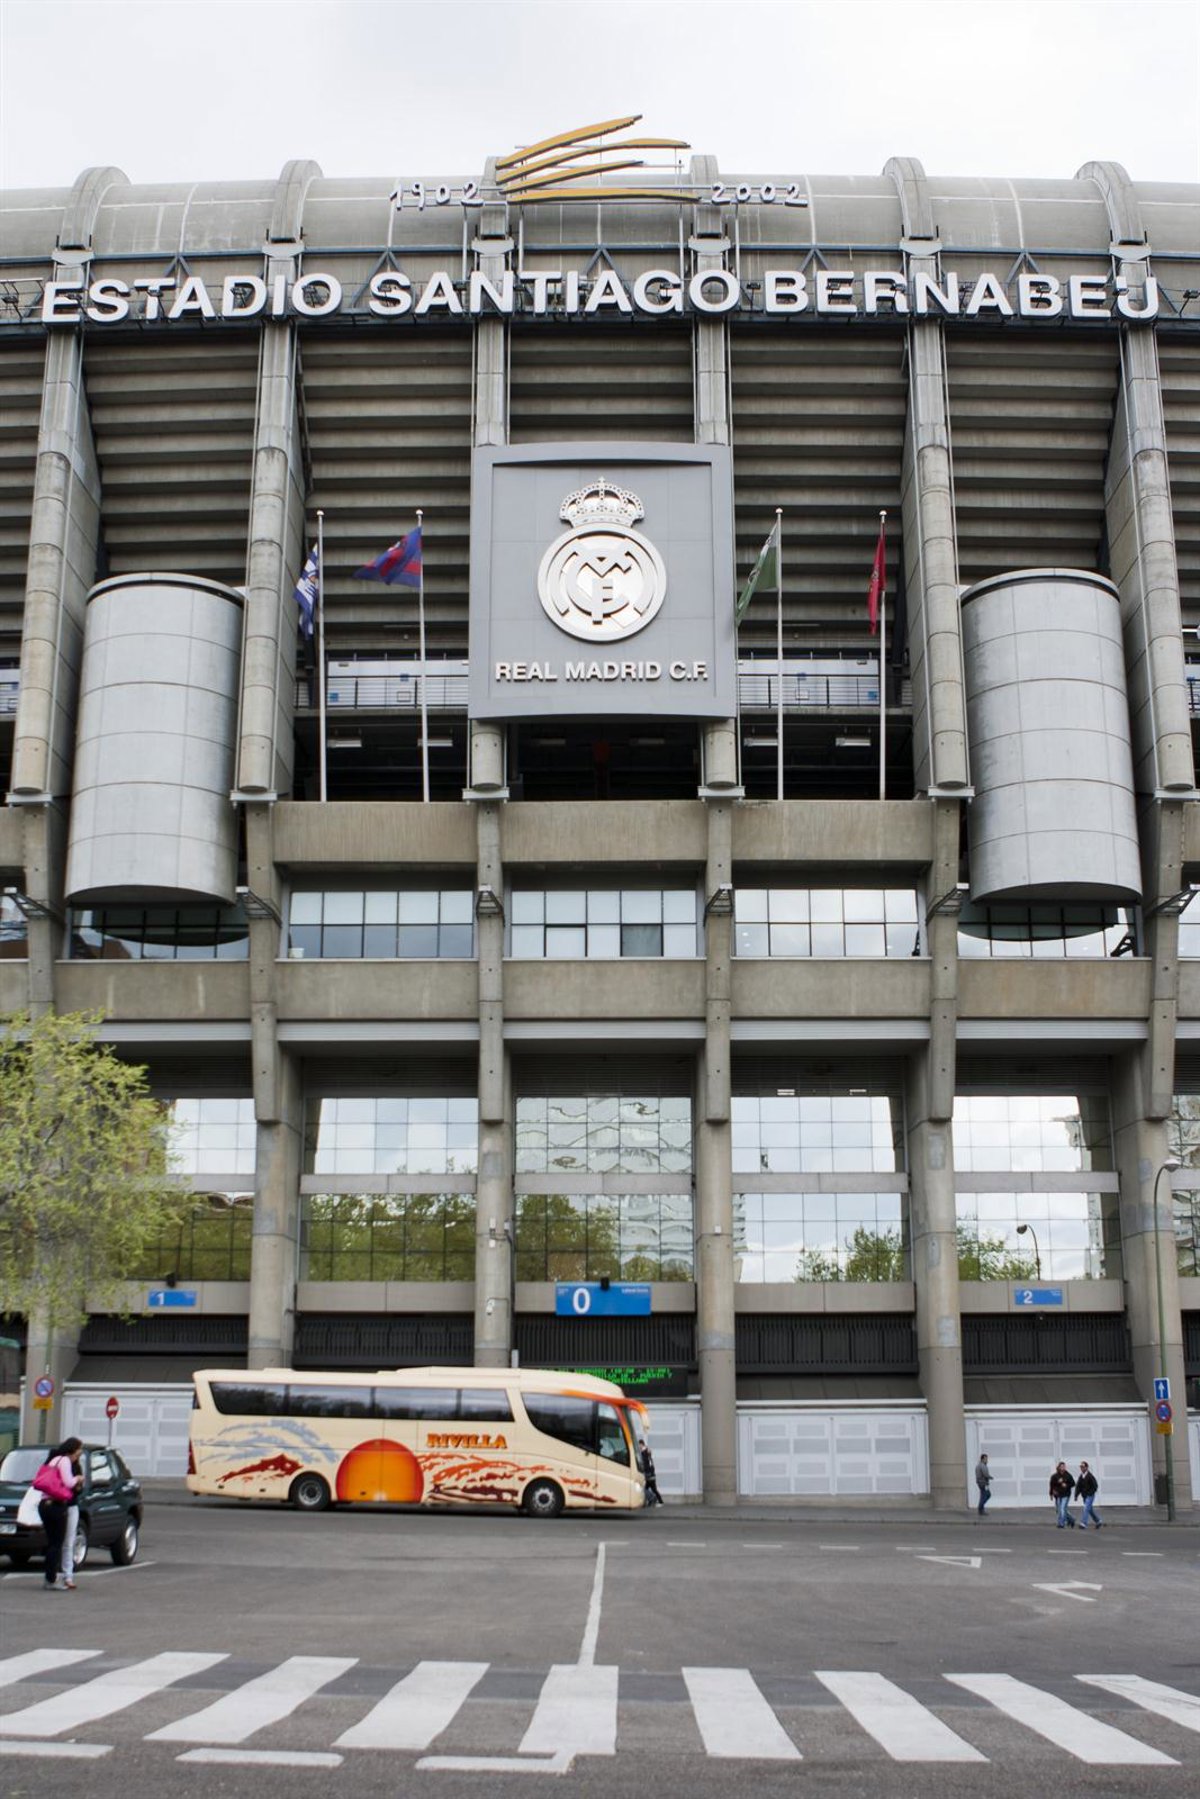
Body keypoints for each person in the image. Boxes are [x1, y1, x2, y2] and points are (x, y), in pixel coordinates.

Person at [34, 1437, 82, 1591]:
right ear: (72, 1450)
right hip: (57, 1505)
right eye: (78, 1451)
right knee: (57, 1544)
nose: (79, 1454)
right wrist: (78, 1478)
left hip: (44, 1505)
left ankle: (50, 1577)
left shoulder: (53, 1459)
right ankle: (52, 1579)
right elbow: (69, 1482)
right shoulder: (65, 1461)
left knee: (52, 1543)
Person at [1075, 1460, 1103, 1530]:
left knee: (1086, 1508)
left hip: (1090, 1496)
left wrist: (1090, 1493)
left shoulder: (1090, 1476)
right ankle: (1098, 1521)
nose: (1082, 1468)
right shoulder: (1081, 1476)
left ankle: (1083, 1523)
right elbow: (1078, 1486)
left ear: (1087, 1467)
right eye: (1081, 1467)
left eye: (1083, 1467)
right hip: (1084, 1496)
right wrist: (1076, 1495)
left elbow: (1095, 1486)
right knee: (1089, 1510)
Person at [1049, 1460, 1076, 1528]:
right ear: (1059, 1467)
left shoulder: (1068, 1475)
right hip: (1058, 1494)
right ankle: (1072, 1520)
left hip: (1066, 1494)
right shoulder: (1055, 1476)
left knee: (1062, 1508)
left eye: (1064, 1466)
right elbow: (1052, 1485)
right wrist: (1051, 1493)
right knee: (1060, 1510)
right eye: (1061, 1466)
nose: (1062, 1468)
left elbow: (1073, 1483)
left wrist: (1066, 1485)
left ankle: (1061, 1523)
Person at [639, 1438, 663, 1508]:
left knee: (651, 1489)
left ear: (641, 1444)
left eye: (639, 1445)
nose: (639, 1447)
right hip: (649, 1474)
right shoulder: (646, 1452)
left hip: (649, 1474)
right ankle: (650, 1501)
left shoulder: (645, 1452)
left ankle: (660, 1501)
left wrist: (647, 1472)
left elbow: (647, 1463)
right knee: (645, 1488)